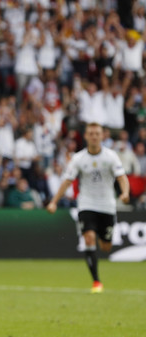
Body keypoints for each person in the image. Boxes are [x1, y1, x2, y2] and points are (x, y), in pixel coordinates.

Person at [47, 122, 130, 293]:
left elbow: (122, 177)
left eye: (97, 133)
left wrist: (125, 192)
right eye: (91, 133)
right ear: (86, 136)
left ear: (102, 136)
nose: (94, 136)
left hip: (107, 205)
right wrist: (54, 201)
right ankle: (96, 282)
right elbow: (67, 181)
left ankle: (102, 241)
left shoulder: (111, 156)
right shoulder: (78, 158)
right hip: (87, 204)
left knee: (105, 246)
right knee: (89, 239)